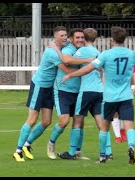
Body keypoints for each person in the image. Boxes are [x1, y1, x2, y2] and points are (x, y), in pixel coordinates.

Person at [61, 26, 135, 164]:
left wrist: (70, 75)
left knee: (103, 127)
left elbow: (87, 69)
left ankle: (102, 156)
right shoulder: (131, 54)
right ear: (125, 39)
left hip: (109, 97)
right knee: (129, 127)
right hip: (126, 96)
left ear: (112, 40)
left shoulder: (106, 54)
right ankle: (131, 146)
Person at [12, 26, 74, 162]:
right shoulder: (51, 52)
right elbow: (66, 68)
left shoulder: (63, 46)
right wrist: (85, 72)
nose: (65, 38)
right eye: (62, 36)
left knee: (46, 121)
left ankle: (27, 144)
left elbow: (71, 46)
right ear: (55, 37)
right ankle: (17, 151)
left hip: (50, 88)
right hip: (39, 86)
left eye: (65, 35)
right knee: (32, 119)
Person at [57, 28, 113, 160]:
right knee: (101, 122)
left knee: (77, 120)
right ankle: (108, 152)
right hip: (99, 90)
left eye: (82, 37)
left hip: (87, 90)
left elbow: (67, 60)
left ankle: (71, 152)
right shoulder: (97, 52)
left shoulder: (82, 51)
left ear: (84, 38)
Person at [46, 28, 88, 160]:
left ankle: (77, 151)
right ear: (71, 39)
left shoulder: (84, 51)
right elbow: (67, 60)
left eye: (82, 37)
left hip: (79, 92)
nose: (80, 40)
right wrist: (89, 60)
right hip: (63, 91)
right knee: (63, 121)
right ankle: (51, 144)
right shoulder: (68, 49)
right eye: (77, 37)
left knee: (79, 123)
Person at [112, 66, 135, 143]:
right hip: (113, 90)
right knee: (115, 113)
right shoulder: (112, 58)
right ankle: (118, 136)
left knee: (124, 113)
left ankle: (123, 132)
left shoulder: (129, 58)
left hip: (126, 91)